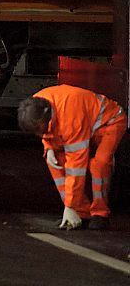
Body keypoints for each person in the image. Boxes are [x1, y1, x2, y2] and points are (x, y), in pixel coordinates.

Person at [17, 85, 126, 230]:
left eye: (39, 130)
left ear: (46, 116)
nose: (39, 135)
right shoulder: (38, 105)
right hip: (87, 124)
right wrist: (48, 147)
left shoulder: (70, 117)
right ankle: (81, 212)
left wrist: (69, 206)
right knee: (54, 159)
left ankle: (100, 214)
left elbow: (76, 167)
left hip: (110, 122)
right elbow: (49, 131)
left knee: (99, 165)